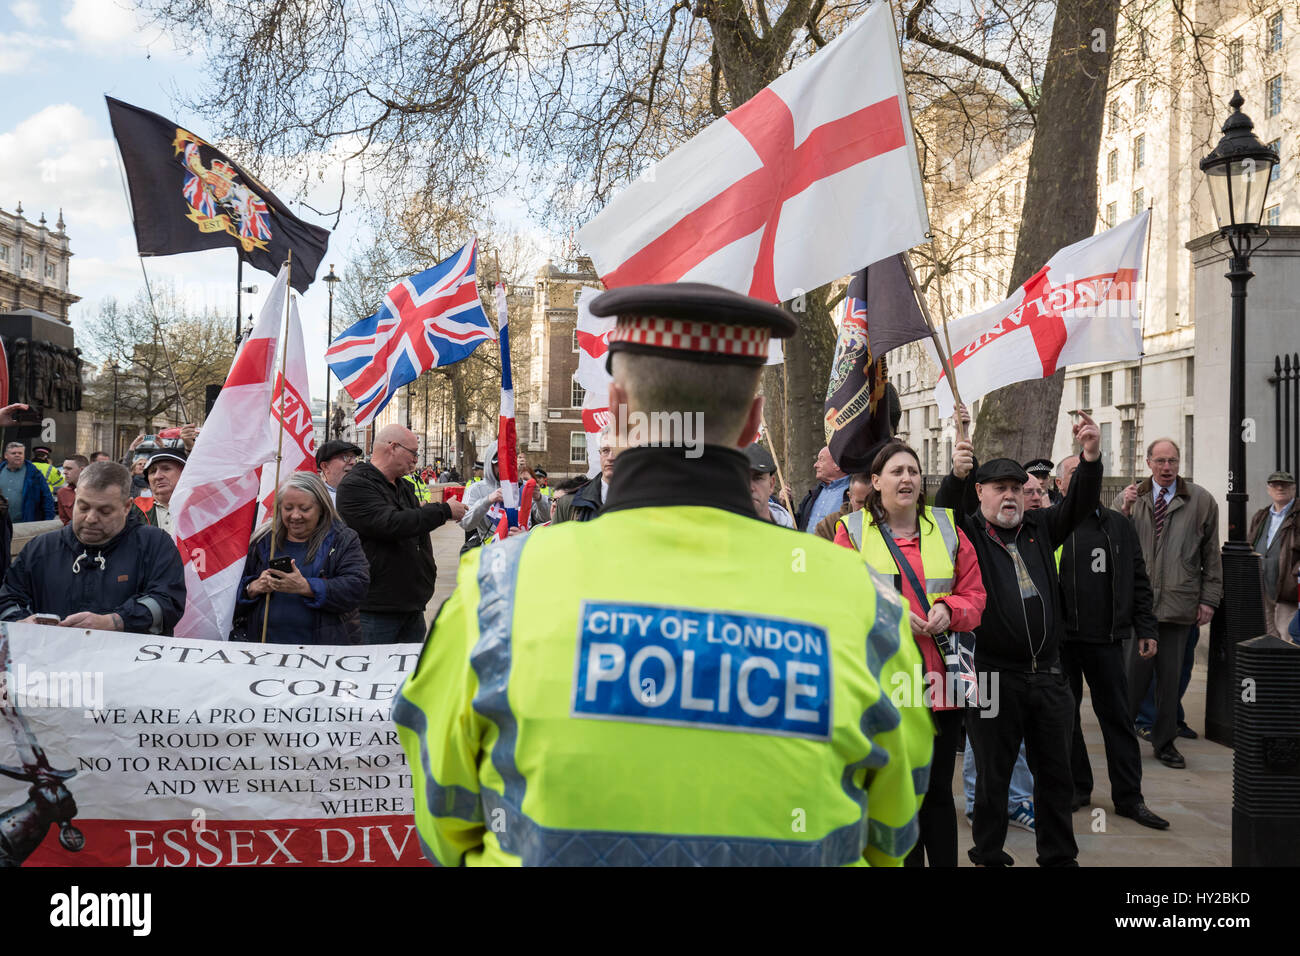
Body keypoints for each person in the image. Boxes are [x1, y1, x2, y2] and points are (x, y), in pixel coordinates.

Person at [395, 282, 933, 867]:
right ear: (754, 422)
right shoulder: (866, 605)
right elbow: (891, 835)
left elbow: (446, 821)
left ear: (619, 408)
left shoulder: (496, 591)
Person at [935, 410, 1103, 867]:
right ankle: (988, 853)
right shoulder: (967, 532)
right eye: (1000, 488)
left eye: (1015, 487)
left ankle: (1058, 856)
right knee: (993, 776)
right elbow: (942, 514)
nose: (1010, 495)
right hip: (991, 677)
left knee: (1056, 776)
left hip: (1049, 678)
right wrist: (956, 471)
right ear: (981, 494)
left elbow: (1080, 504)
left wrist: (1089, 456)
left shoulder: (1040, 527)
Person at [834, 440, 986, 867]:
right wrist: (895, 618)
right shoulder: (852, 531)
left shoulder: (949, 527)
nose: (906, 479)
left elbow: (975, 596)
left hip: (941, 683)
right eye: (897, 471)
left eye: (913, 472)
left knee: (938, 793)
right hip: (883, 682)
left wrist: (948, 608)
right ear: (876, 482)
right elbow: (843, 602)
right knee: (895, 793)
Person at [1056, 455, 1169, 830]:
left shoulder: (1118, 525)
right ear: (1059, 486)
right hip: (1062, 642)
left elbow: (1138, 578)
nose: (1080, 479)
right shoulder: (1048, 526)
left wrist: (1147, 628)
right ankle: (1077, 787)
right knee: (1066, 719)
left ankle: (1129, 797)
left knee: (1118, 720)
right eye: (1072, 474)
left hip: (1107, 640)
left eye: (1083, 472)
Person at [1115, 438, 1222, 769]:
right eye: (1160, 461)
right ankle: (1120, 743)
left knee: (1171, 680)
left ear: (1179, 463)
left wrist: (1209, 600)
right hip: (1140, 607)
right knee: (1130, 680)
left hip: (1179, 606)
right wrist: (1123, 508)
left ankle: (1165, 742)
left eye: (1172, 461)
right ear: (1148, 462)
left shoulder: (1201, 500)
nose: (1166, 467)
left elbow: (1211, 555)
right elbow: (1110, 541)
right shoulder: (1133, 497)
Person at [0, 462, 185, 634]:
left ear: (127, 507)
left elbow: (167, 601)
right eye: (83, 507)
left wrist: (116, 621)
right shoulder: (40, 548)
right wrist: (20, 622)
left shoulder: (155, 544)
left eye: (105, 511)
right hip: (53, 664)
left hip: (129, 664)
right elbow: (9, 598)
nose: (90, 518)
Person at [335, 423, 466, 644]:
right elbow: (390, 524)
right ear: (392, 447)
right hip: (375, 609)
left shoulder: (404, 487)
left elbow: (416, 530)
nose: (416, 459)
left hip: (411, 606)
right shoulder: (356, 486)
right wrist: (443, 510)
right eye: (413, 453)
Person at [231, 472, 370, 644]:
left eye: (304, 509)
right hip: (263, 650)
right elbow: (229, 590)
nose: (295, 516)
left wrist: (307, 587)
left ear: (321, 508)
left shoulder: (343, 539)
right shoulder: (262, 539)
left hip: (322, 652)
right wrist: (252, 588)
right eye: (288, 508)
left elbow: (357, 587)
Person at [459, 442, 550, 547]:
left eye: (508, 463)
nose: (504, 467)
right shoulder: (476, 489)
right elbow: (466, 523)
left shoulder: (524, 487)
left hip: (521, 550)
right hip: (491, 553)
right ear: (490, 464)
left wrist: (539, 499)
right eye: (499, 463)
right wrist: (488, 500)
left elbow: (546, 519)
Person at [1248, 471, 1298, 640]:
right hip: (1263, 590)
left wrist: (1295, 574)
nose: (1279, 488)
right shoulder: (1261, 516)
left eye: (1284, 485)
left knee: (1289, 638)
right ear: (1268, 489)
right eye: (1275, 484)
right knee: (1268, 638)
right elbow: (1250, 545)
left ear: (1293, 489)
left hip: (1288, 591)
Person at [554, 427, 615, 523]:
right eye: (605, 450)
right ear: (600, 454)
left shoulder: (643, 501)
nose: (611, 457)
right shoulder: (569, 503)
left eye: (617, 451)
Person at [131, 448, 186, 535]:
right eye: (152, 471)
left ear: (184, 473)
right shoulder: (135, 509)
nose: (157, 476)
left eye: (166, 469)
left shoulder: (199, 508)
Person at [796, 446, 848, 532]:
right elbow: (797, 523)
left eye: (821, 459)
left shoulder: (853, 494)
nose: (815, 465)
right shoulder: (813, 494)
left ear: (837, 464)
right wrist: (786, 504)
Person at [0, 441, 56, 522]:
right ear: (6, 455)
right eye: (13, 453)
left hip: (25, 524)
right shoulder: (1, 471)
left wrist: (48, 521)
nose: (17, 455)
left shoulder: (34, 474)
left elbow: (47, 498)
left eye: (20, 453)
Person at [746, 444, 794, 528]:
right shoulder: (718, 536)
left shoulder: (792, 537)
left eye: (757, 478)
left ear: (771, 484)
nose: (750, 487)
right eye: (742, 477)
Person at [815, 473, 869, 540]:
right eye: (860, 502)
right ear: (850, 497)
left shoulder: (883, 521)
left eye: (871, 502)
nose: (865, 507)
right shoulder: (828, 525)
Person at [316, 439, 363, 506]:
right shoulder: (317, 499)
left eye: (354, 457)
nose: (353, 462)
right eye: (345, 457)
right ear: (325, 466)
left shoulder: (364, 493)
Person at [57, 455, 89, 525]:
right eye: (64, 468)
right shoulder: (62, 493)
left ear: (82, 470)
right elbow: (64, 520)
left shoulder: (97, 491)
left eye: (69, 468)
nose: (64, 472)